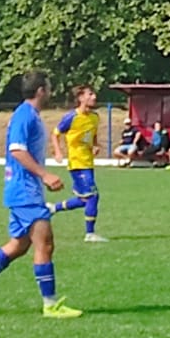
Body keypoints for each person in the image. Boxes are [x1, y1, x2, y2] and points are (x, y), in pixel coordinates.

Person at [0, 71, 81, 318]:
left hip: (24, 191)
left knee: (19, 245)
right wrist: (45, 175)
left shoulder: (29, 115)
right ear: (41, 91)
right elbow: (17, 150)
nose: (51, 91)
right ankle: (50, 305)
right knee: (44, 244)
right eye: (49, 87)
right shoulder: (25, 115)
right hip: (25, 191)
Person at [48, 86, 106, 242]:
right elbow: (55, 134)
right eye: (90, 94)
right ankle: (90, 234)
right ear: (81, 98)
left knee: (84, 200)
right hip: (77, 163)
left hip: (88, 163)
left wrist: (95, 145)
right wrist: (58, 152)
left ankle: (53, 208)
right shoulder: (71, 117)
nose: (94, 96)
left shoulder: (95, 117)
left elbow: (92, 136)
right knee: (93, 196)